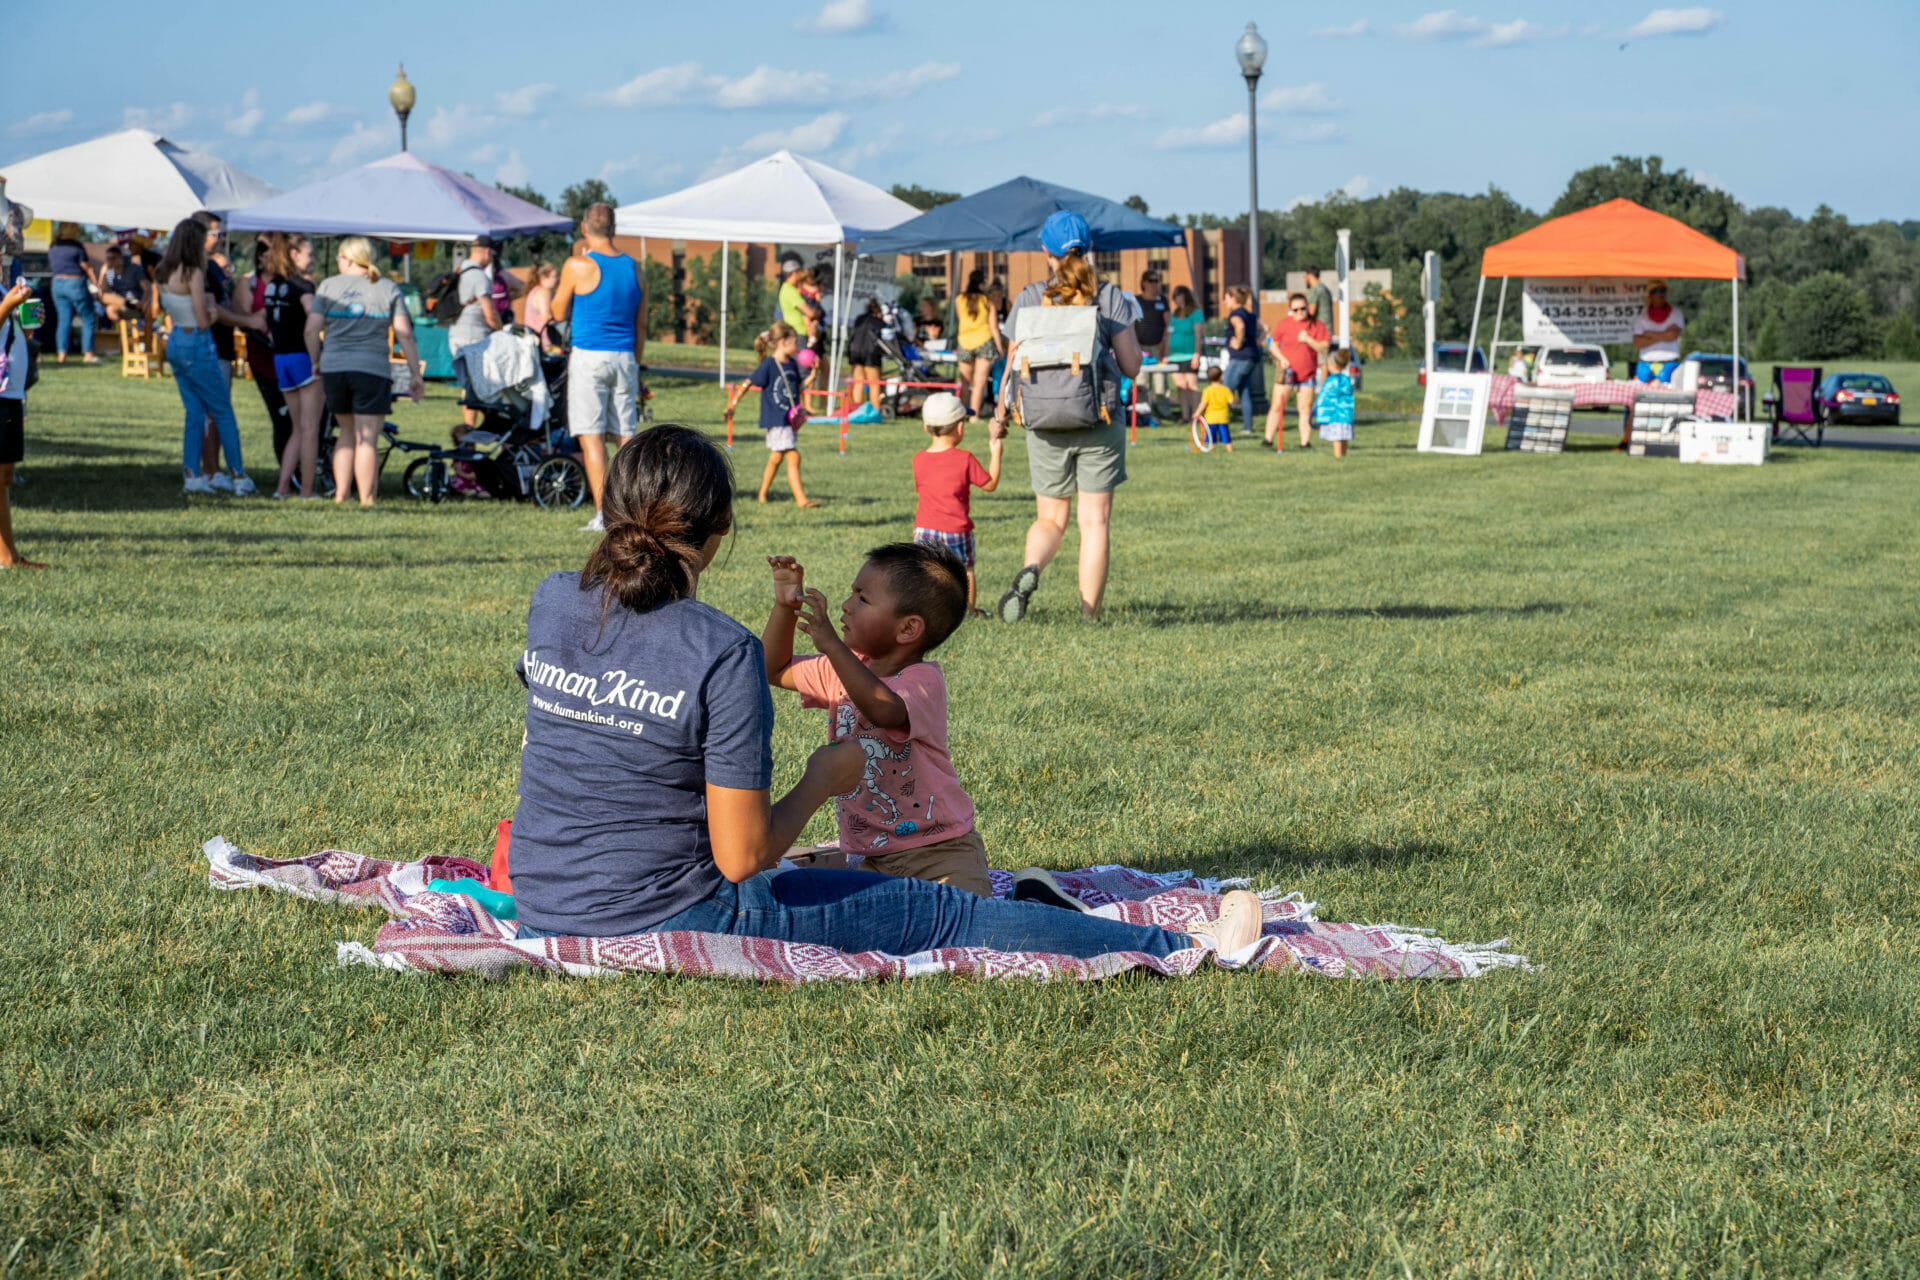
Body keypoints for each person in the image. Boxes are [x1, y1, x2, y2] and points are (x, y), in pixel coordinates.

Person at [505, 423, 1265, 956]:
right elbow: (741, 863)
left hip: (546, 903)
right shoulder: (719, 652)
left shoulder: (551, 599)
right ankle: (1180, 945)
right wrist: (816, 782)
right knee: (943, 917)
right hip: (667, 915)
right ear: (718, 531)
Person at [762, 542, 996, 895]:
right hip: (872, 858)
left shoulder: (923, 682)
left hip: (940, 853)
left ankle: (1036, 893)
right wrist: (785, 608)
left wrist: (832, 646)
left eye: (863, 599)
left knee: (971, 921)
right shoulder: (843, 667)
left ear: (907, 629)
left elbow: (883, 709)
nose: (846, 605)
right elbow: (773, 668)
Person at [991, 210, 1143, 624]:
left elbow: (1011, 364)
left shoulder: (1027, 297)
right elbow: (1131, 367)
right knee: (1094, 522)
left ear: (1045, 250)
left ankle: (1032, 569)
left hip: (1042, 422)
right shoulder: (1108, 296)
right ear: (1089, 249)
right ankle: (1090, 615)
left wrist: (1001, 413)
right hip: (1098, 418)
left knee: (1049, 518)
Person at [306, 236, 423, 505]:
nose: (337, 263)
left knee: (346, 433)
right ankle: (367, 499)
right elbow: (405, 335)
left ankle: (340, 495)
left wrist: (317, 359)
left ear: (348, 259)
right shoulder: (388, 288)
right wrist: (416, 374)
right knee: (367, 437)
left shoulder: (328, 286)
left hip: (335, 367)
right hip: (372, 369)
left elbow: (311, 329)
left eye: (338, 258)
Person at [552, 204, 646, 532]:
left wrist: (578, 260)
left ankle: (605, 515)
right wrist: (636, 364)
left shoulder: (578, 264)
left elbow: (558, 311)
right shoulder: (636, 268)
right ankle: (633, 510)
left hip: (590, 355)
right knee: (626, 437)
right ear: (615, 229)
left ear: (584, 227)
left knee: (592, 438)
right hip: (624, 356)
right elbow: (641, 325)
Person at [155, 217, 258, 495]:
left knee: (195, 413)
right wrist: (213, 310)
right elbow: (203, 319)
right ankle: (239, 475)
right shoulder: (193, 272)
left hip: (175, 338)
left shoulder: (163, 271)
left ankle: (192, 474)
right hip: (197, 342)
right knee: (222, 410)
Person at [911, 391, 1002, 614]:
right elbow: (989, 484)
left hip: (924, 528)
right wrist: (996, 452)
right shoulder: (965, 458)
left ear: (926, 427)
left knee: (926, 572)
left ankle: (926, 610)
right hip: (956, 529)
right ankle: (969, 610)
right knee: (965, 570)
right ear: (960, 427)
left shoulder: (918, 459)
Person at [261, 233, 322, 499]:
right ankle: (306, 491)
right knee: (310, 429)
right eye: (310, 254)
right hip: (302, 357)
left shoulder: (273, 284)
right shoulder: (303, 287)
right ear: (295, 255)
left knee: (297, 429)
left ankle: (282, 487)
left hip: (280, 359)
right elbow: (314, 320)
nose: (313, 259)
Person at [232, 235, 293, 469]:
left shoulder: (290, 282)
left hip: (292, 355)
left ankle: (300, 468)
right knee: (281, 418)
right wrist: (267, 313)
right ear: (260, 256)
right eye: (274, 254)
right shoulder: (248, 283)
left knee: (299, 419)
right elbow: (243, 320)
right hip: (264, 358)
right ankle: (286, 470)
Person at [1, 278, 47, 567]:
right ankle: (7, 557)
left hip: (10, 393)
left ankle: (9, 556)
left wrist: (25, 325)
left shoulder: (4, 289)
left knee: (4, 478)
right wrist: (9, 306)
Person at [192, 212, 241, 483]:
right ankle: (211, 470)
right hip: (210, 347)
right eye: (215, 233)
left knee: (217, 410)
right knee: (213, 412)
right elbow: (214, 311)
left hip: (221, 346)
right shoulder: (200, 268)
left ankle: (213, 468)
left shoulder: (211, 266)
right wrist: (250, 321)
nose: (221, 237)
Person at [748, 321, 815, 507]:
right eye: (795, 343)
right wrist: (733, 403)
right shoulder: (769, 364)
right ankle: (802, 500)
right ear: (783, 342)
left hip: (790, 419)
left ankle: (761, 495)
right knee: (793, 456)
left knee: (776, 457)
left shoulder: (792, 364)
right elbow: (750, 381)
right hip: (776, 419)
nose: (797, 347)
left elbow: (801, 386)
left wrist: (814, 373)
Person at [447, 236, 501, 429]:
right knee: (477, 386)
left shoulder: (460, 270)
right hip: (474, 335)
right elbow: (489, 313)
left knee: (469, 386)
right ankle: (470, 433)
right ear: (487, 252)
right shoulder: (479, 276)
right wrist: (501, 330)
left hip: (456, 333)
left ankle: (469, 432)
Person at [1265, 292, 1329, 451]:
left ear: (1308, 307)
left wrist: (1308, 340)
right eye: (1295, 310)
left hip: (1307, 375)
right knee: (1277, 406)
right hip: (1286, 372)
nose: (1300, 312)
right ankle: (1267, 439)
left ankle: (1305, 442)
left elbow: (1324, 347)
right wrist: (1281, 358)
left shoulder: (1317, 325)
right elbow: (1273, 345)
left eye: (1303, 308)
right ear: (1290, 310)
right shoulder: (1284, 324)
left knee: (1305, 408)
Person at [953, 269, 1002, 419]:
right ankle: (974, 416)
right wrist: (999, 348)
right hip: (984, 341)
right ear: (982, 284)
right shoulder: (987, 301)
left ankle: (960, 414)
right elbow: (994, 327)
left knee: (965, 382)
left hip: (965, 341)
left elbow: (960, 319)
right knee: (979, 383)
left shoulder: (959, 299)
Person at [48, 222, 99, 364]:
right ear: (72, 230)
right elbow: (86, 267)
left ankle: (61, 355)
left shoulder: (54, 245)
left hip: (57, 284)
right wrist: (96, 284)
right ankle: (88, 353)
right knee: (88, 318)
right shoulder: (76, 245)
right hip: (75, 283)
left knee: (64, 320)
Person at [1222, 285, 1262, 437]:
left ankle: (1218, 424)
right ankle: (1247, 427)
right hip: (1252, 357)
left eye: (1226, 298)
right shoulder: (1249, 314)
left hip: (1240, 358)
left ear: (1233, 298)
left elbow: (1239, 326)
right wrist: (1257, 340)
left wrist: (1238, 343)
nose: (1225, 302)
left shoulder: (1235, 314)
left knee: (1224, 392)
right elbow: (1265, 327)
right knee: (1244, 393)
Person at [1165, 285, 1206, 423]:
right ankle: (1185, 415)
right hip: (1174, 356)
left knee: (1192, 385)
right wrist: (1166, 354)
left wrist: (1196, 354)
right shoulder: (1174, 315)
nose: (1176, 299)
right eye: (1174, 296)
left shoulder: (1195, 313)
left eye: (1178, 295)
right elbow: (1169, 335)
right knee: (1181, 386)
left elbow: (1198, 334)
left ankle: (1196, 414)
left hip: (1189, 355)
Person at [1632, 279, 1684, 383]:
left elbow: (1672, 336)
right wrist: (1664, 334)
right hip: (1646, 364)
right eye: (1657, 291)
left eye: (1663, 291)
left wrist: (1648, 334)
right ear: (1650, 295)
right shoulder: (1642, 317)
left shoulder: (1676, 314)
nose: (1661, 294)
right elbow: (1637, 343)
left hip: (1669, 363)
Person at [845, 297, 886, 420]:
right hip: (870, 352)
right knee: (874, 384)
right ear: (879, 313)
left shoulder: (859, 319)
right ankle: (874, 412)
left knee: (858, 383)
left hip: (854, 352)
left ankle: (857, 411)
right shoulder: (879, 322)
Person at [1315, 348, 1356, 459]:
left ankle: (1338, 457)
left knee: (1337, 438)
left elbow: (1324, 398)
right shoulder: (1346, 379)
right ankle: (1343, 455)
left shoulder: (1331, 380)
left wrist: (1319, 413)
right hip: (1346, 415)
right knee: (1343, 438)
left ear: (1332, 364)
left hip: (1335, 415)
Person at [97, 246, 146, 325]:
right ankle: (121, 331)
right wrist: (104, 272)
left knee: (104, 298)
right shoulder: (109, 272)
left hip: (136, 303)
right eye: (108, 259)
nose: (111, 261)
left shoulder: (134, 269)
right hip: (121, 303)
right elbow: (102, 291)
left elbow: (147, 288)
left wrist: (143, 301)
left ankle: (127, 305)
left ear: (121, 258)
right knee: (108, 307)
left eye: (113, 258)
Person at [1133, 270, 1170, 366]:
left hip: (1158, 346)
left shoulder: (1162, 300)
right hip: (1140, 346)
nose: (1154, 284)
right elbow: (1131, 324)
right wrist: (1136, 344)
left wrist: (1163, 342)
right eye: (1151, 280)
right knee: (1142, 379)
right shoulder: (1136, 300)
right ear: (1144, 283)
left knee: (1160, 379)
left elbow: (1168, 323)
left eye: (1156, 281)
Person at [1194, 365, 1234, 452]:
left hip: (1211, 418)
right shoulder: (1225, 389)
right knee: (1225, 435)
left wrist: (1197, 413)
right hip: (1223, 417)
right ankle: (1229, 449)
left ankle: (1212, 449)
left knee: (1211, 436)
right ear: (1221, 377)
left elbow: (1203, 403)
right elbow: (1231, 401)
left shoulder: (1207, 390)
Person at [521, 261, 558, 347]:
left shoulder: (535, 290)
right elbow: (547, 318)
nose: (558, 279)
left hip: (531, 340)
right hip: (543, 341)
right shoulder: (544, 292)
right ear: (543, 277)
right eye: (555, 276)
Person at [1302, 267, 1334, 331]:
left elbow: (1311, 312)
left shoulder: (1314, 290)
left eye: (1305, 277)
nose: (1304, 280)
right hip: (1328, 330)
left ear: (1310, 275)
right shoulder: (1325, 289)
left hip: (1319, 331)